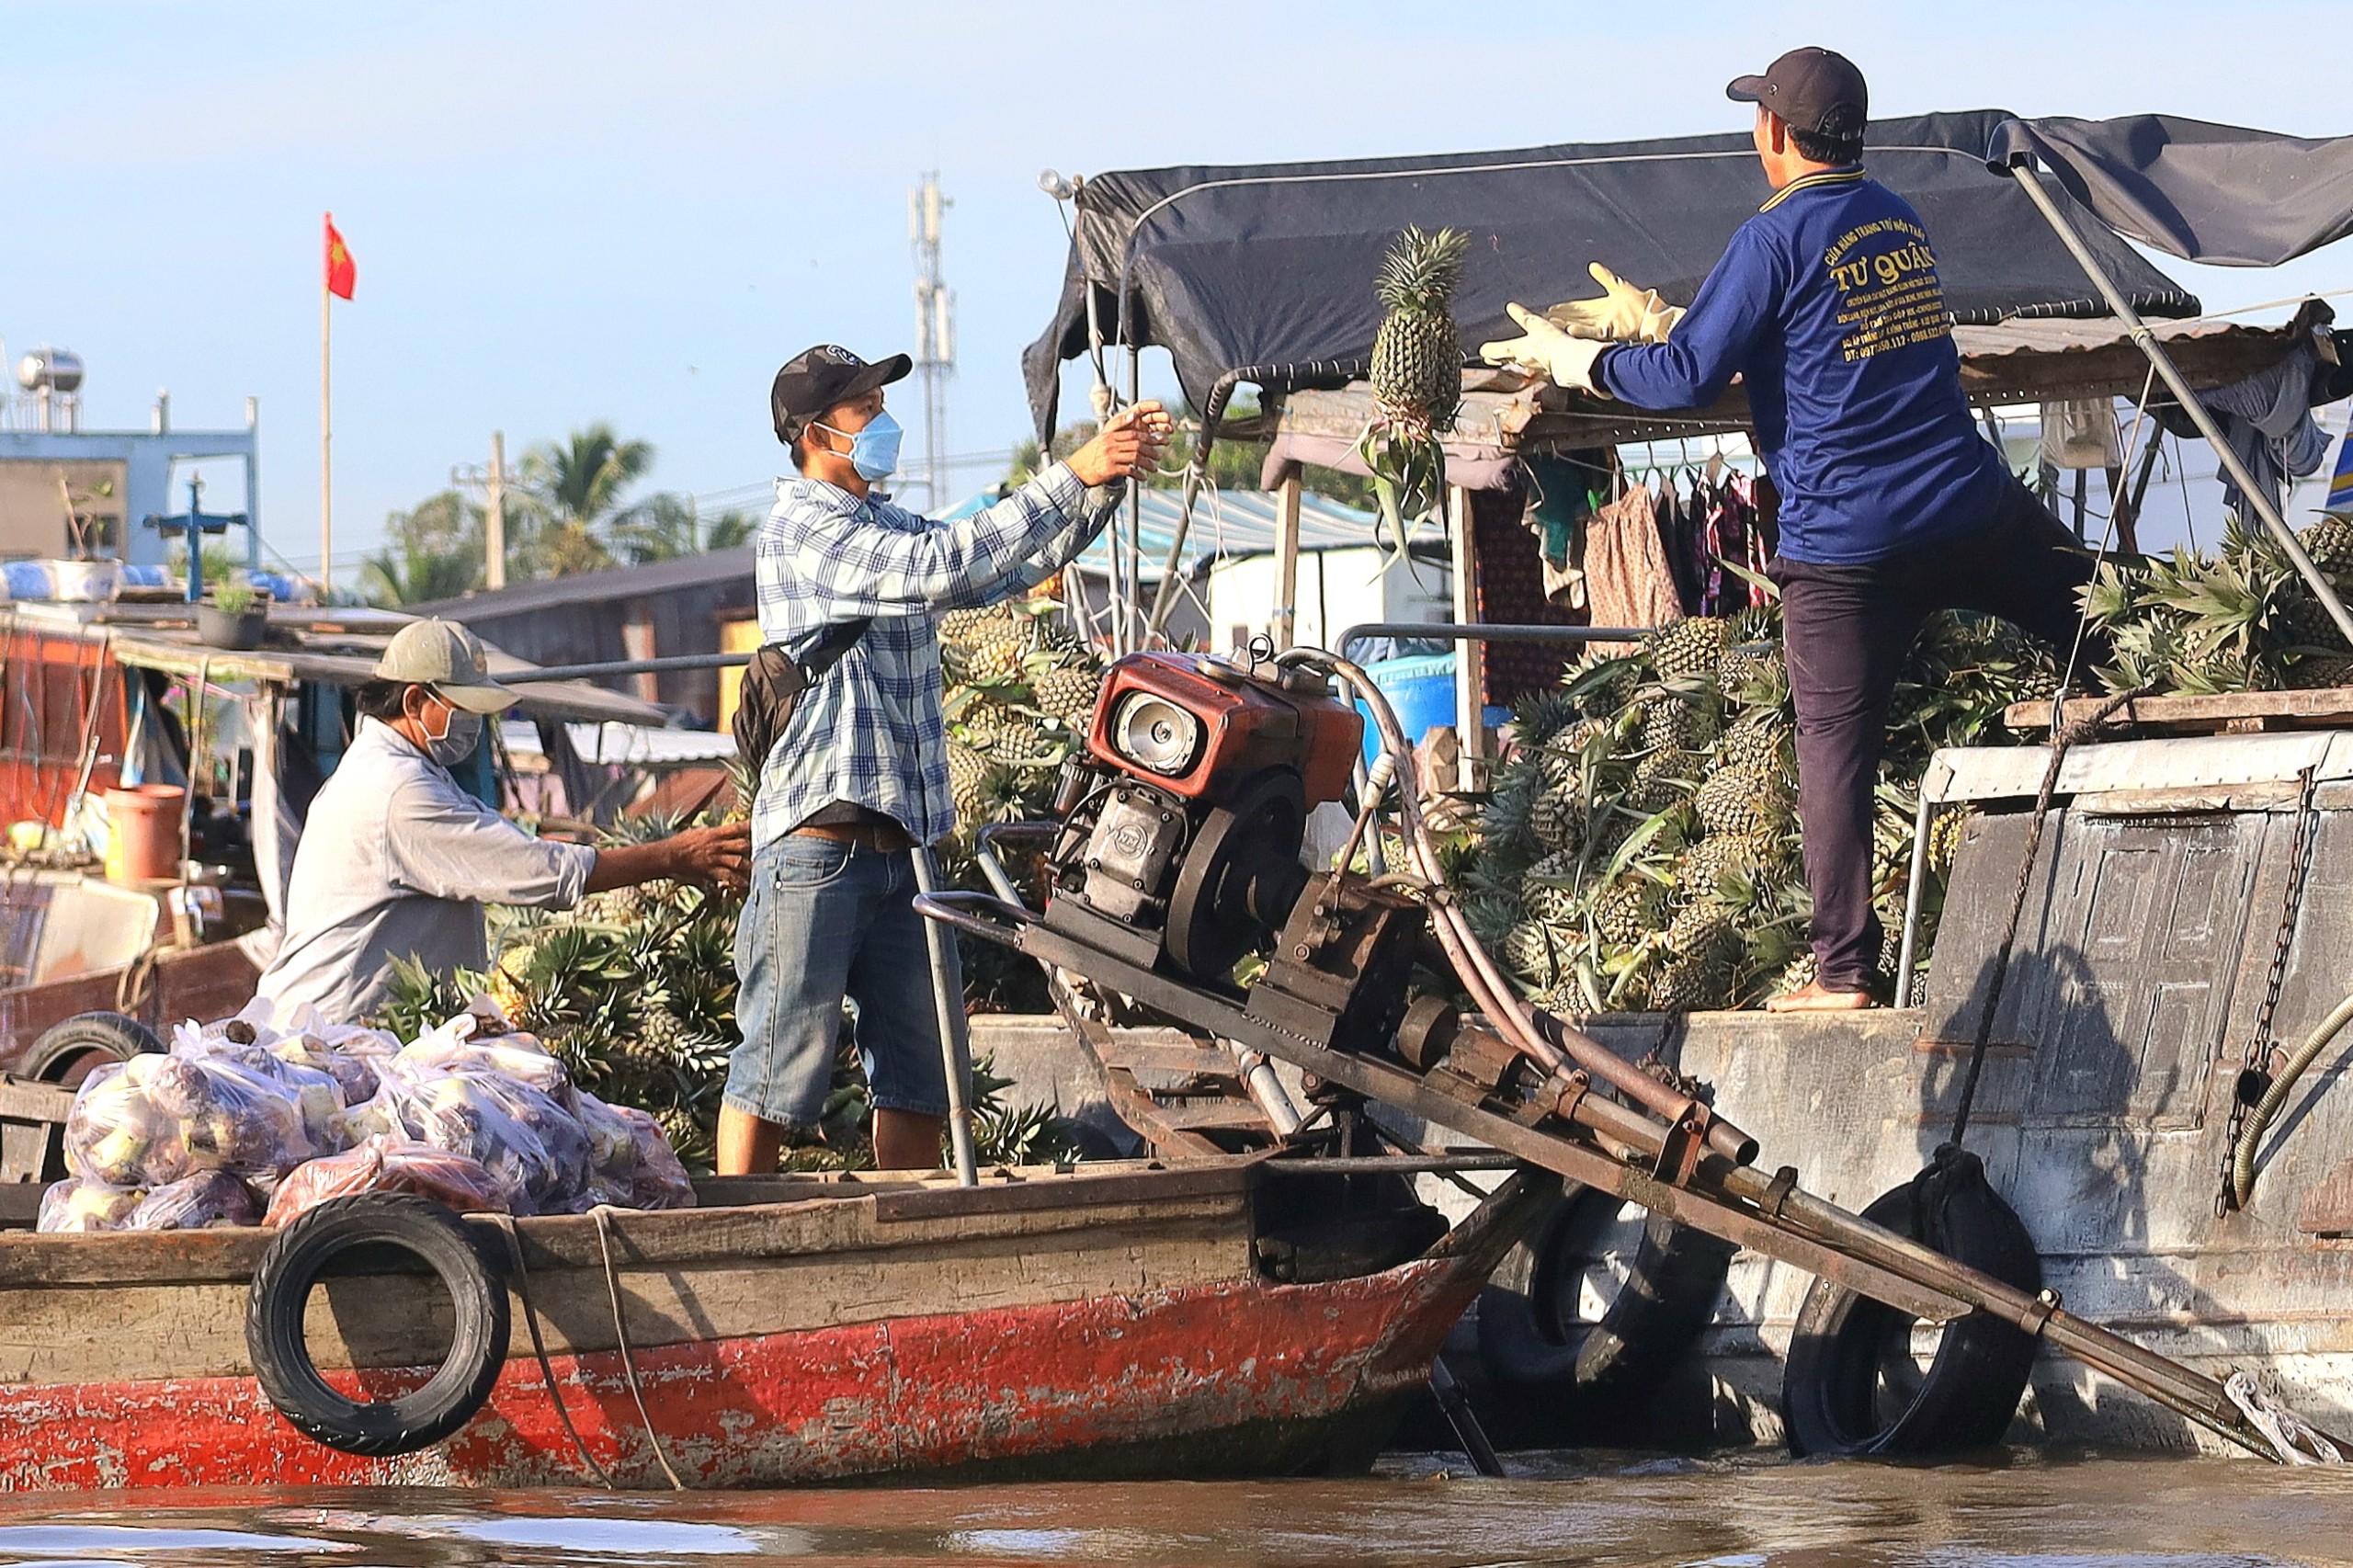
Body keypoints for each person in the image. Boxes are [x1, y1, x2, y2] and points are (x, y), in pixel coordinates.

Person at [1481, 47, 2100, 1012]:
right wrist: (1679, 326)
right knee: (2100, 605)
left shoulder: (1768, 238)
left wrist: (1582, 363)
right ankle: (2204, 720)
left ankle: (1845, 973)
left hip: (1851, 547)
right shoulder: (1897, 220)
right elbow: (1816, 346)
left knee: (1833, 751)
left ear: (1771, 132)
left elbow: (1687, 380)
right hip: (1968, 506)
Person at [722, 345, 1170, 1173]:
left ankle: (913, 1245)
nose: (883, 421)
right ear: (818, 434)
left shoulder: (880, 522)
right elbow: (941, 568)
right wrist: (1073, 470)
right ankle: (735, 1245)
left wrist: (1103, 481)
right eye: (865, 409)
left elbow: (998, 566)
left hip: (903, 857)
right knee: (777, 1076)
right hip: (818, 849)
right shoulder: (806, 528)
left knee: (923, 1083)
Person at [256, 618, 750, 1022]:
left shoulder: (405, 770)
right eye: (465, 710)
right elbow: (537, 868)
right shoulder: (396, 792)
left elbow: (502, 844)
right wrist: (673, 856)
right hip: (331, 1034)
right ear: (413, 701)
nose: (475, 725)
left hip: (358, 1029)